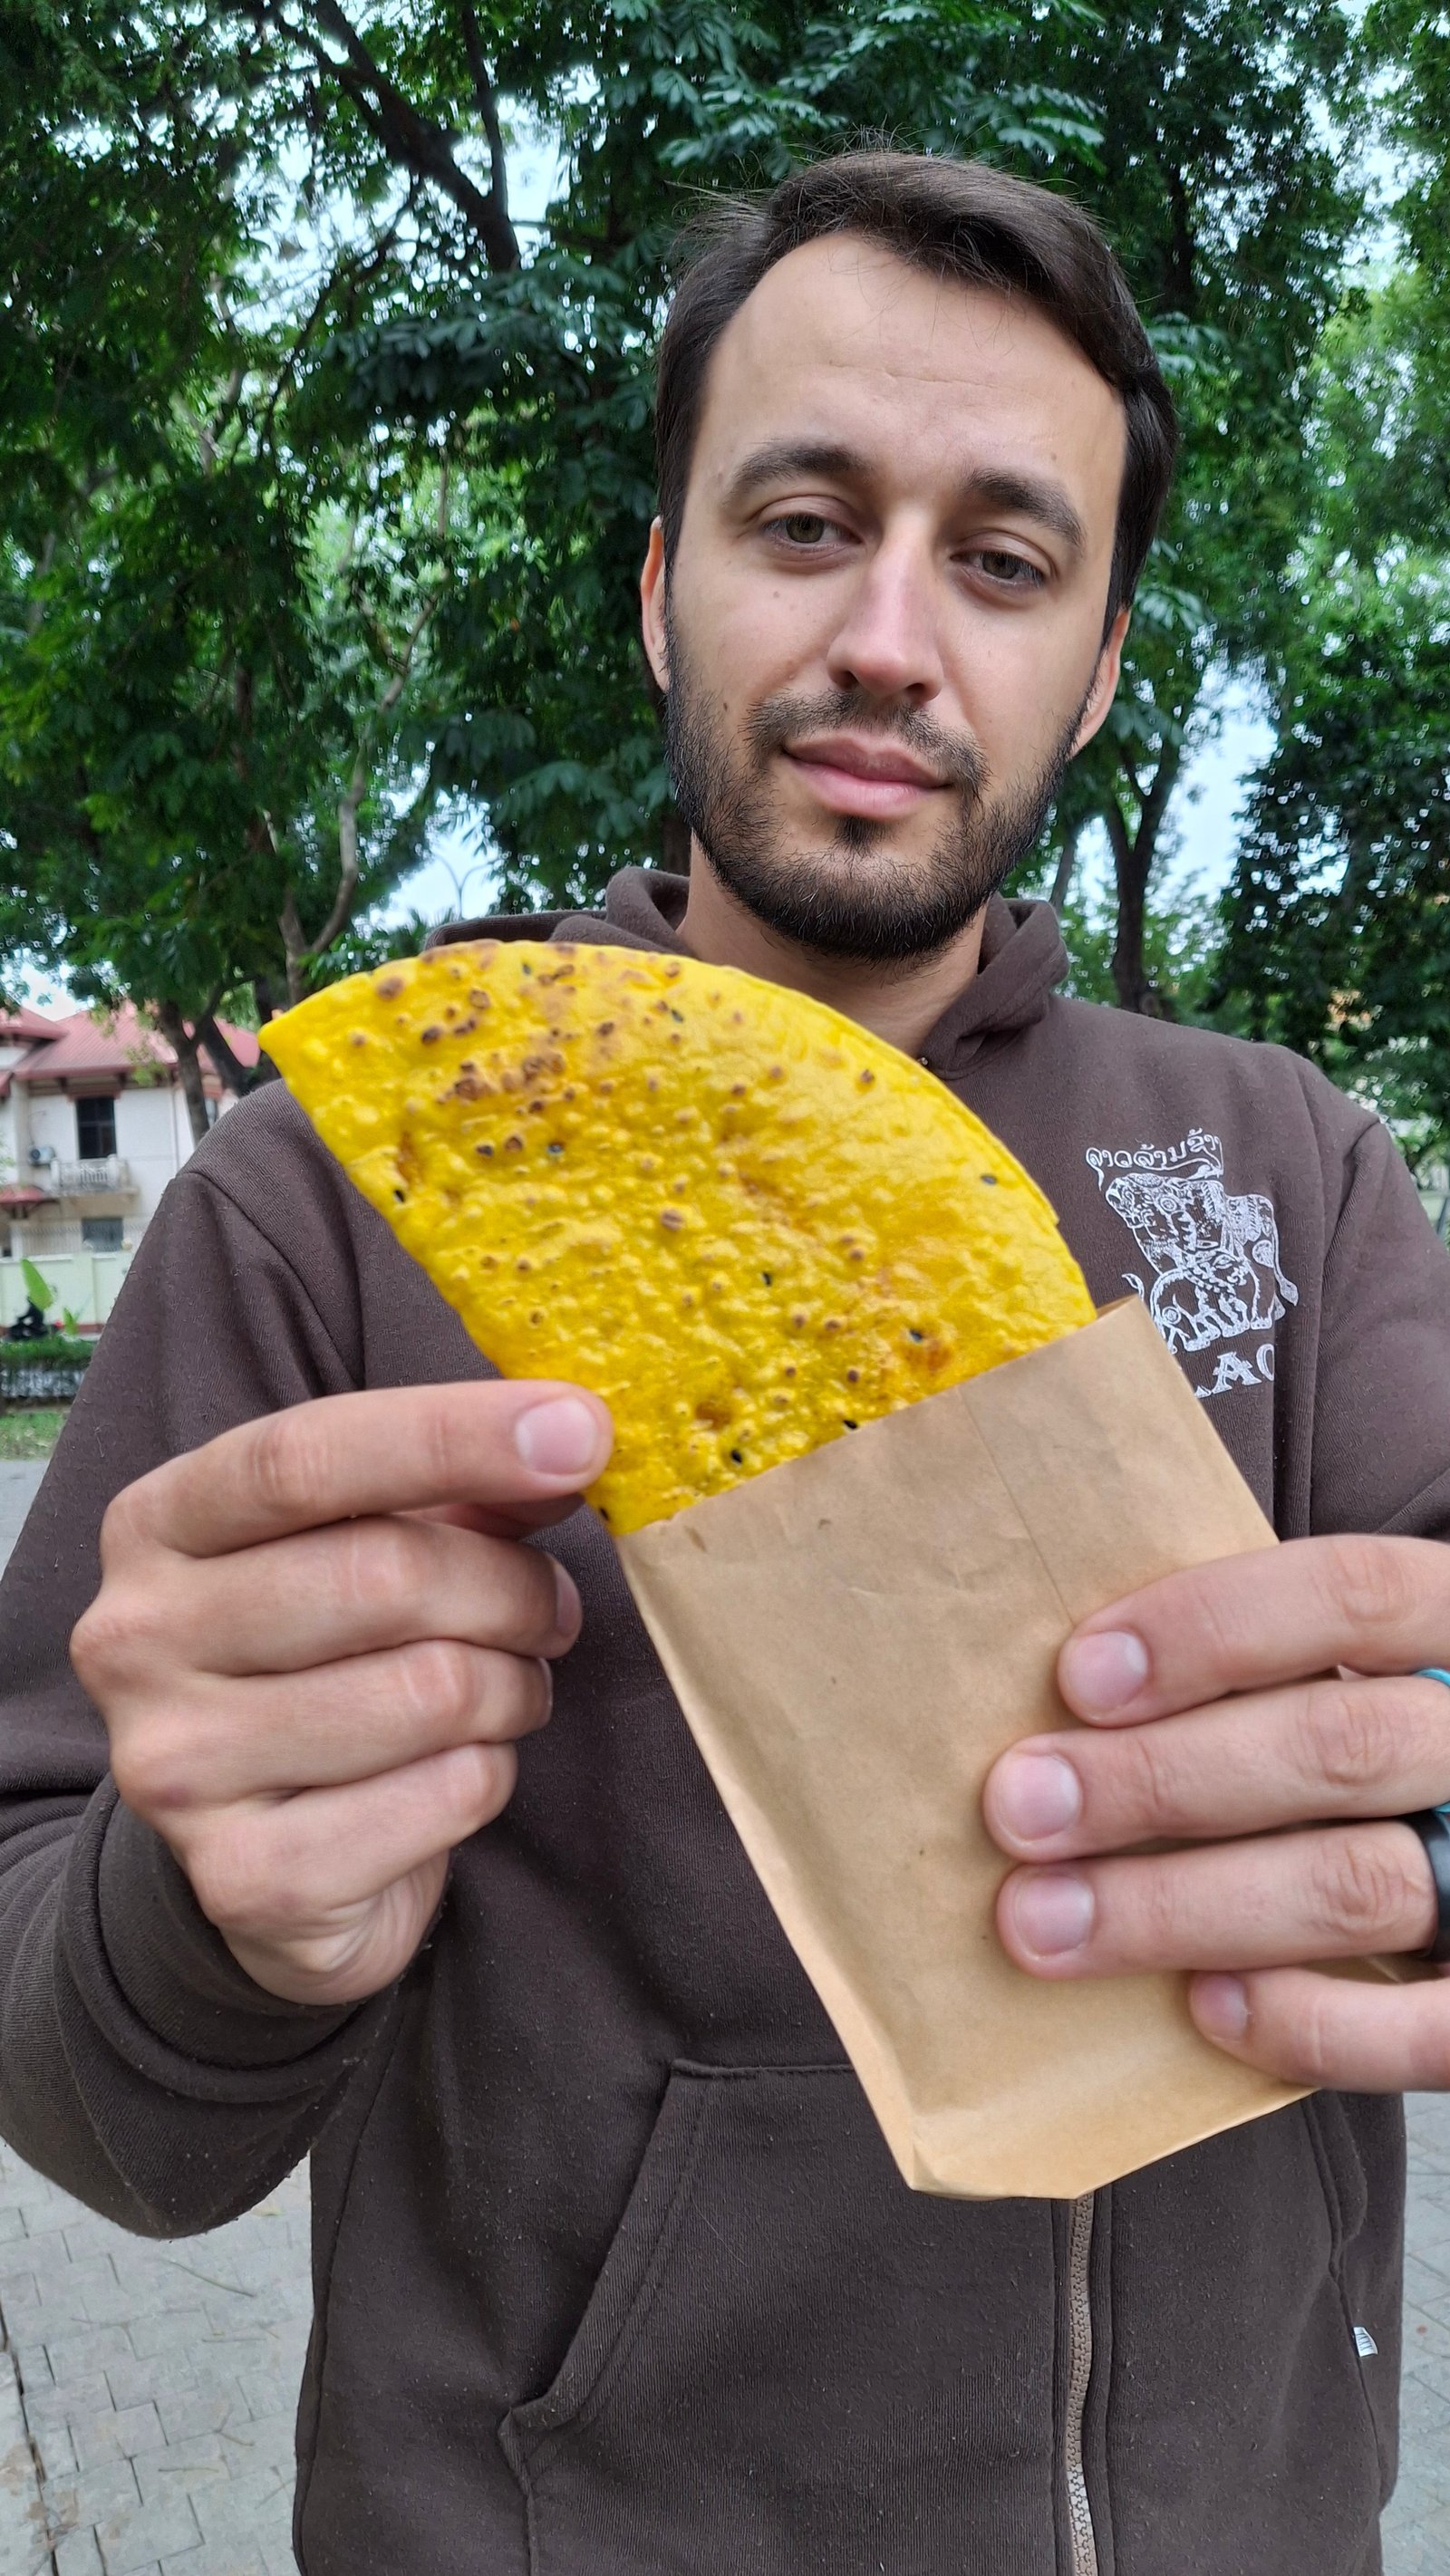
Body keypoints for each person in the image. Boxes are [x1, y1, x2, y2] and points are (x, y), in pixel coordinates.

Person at [1, 151, 1446, 2576]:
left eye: (1004, 561)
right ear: (662, 584)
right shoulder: (338, 1199)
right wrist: (217, 1919)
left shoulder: (1288, 1169)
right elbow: (96, 2092)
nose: (891, 639)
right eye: (805, 522)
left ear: (1101, 663)